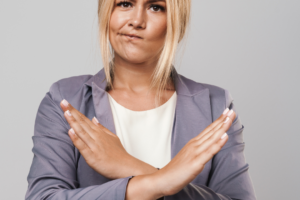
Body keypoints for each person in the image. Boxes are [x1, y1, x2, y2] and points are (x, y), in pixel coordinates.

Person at [25, 0, 257, 199]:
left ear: (177, 21)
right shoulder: (65, 99)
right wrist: (159, 181)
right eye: (125, 3)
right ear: (106, 10)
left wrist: (127, 165)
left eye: (155, 7)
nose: (136, 20)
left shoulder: (215, 105)